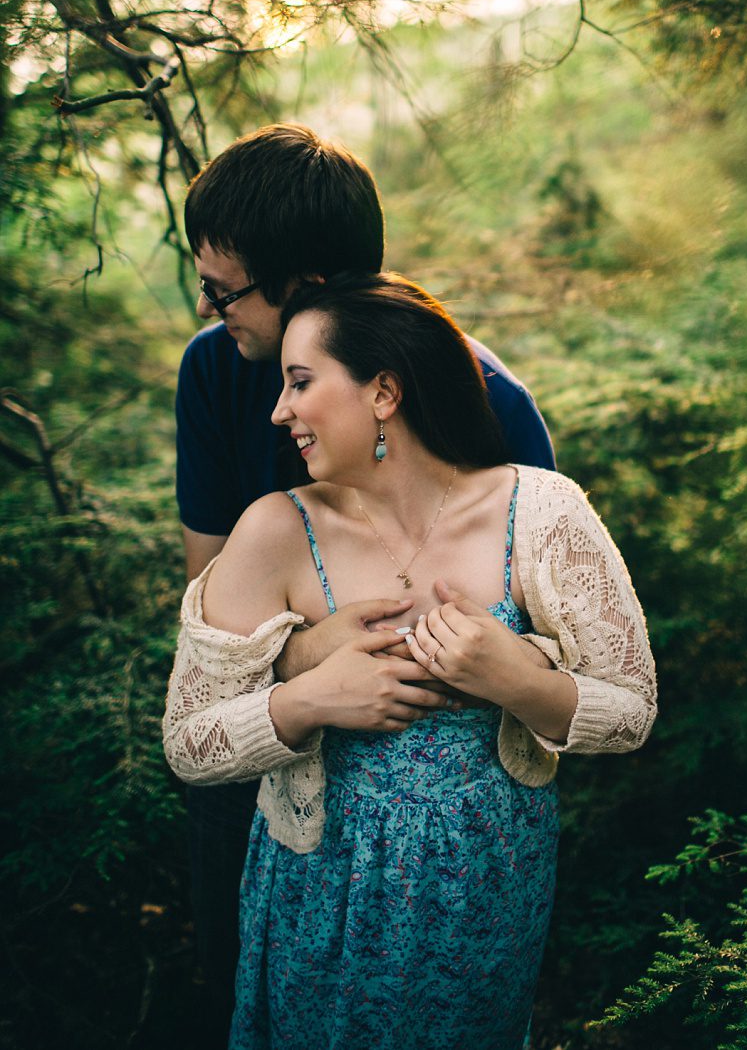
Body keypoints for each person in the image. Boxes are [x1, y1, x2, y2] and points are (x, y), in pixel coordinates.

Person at [164, 273, 657, 1050]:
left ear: (383, 392)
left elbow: (631, 709)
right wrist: (309, 698)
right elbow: (189, 741)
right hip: (319, 889)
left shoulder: (543, 512)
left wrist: (519, 682)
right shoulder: (273, 531)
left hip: (487, 887)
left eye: (300, 382)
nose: (278, 410)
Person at [175, 124, 557, 1040]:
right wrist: (310, 656)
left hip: (448, 830)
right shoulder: (216, 372)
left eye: (222, 290)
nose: (211, 309)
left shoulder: (488, 402)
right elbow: (208, 623)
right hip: (268, 787)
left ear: (303, 284)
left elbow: (547, 632)